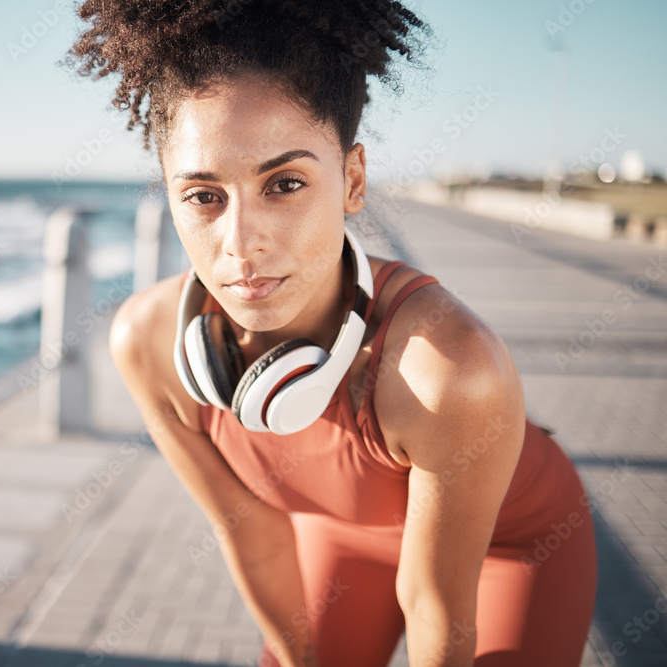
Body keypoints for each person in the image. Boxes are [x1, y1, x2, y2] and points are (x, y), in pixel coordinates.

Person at [65, 1, 597, 665]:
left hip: (512, 544)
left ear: (351, 180)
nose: (240, 244)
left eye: (284, 183)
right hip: (344, 539)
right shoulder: (148, 346)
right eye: (204, 195)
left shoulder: (447, 368)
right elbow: (252, 533)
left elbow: (434, 601)